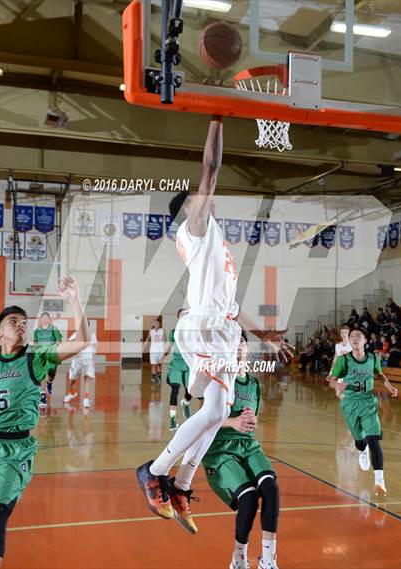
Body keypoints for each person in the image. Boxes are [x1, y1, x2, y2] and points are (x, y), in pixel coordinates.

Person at [136, 118, 292, 535]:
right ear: (191, 207)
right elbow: (210, 168)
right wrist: (216, 116)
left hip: (218, 327)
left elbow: (233, 307)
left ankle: (181, 483)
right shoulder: (195, 228)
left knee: (216, 409)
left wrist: (263, 335)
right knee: (213, 407)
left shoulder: (217, 241)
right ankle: (155, 471)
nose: (208, 198)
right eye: (200, 199)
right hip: (203, 327)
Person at [0, 277, 90, 566]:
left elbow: (83, 341)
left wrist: (75, 299)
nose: (21, 325)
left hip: (13, 452)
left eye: (24, 322)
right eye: (13, 320)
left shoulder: (33, 358)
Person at [203, 332, 279, 569]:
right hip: (220, 449)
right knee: (248, 500)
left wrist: (250, 421)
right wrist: (232, 422)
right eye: (232, 342)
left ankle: (268, 561)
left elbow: (252, 416)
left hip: (247, 444)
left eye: (242, 341)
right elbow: (203, 419)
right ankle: (239, 558)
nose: (238, 345)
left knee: (270, 489)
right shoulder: (219, 378)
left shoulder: (255, 384)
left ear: (247, 348)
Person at [327, 328, 398, 496]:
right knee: (360, 440)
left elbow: (379, 374)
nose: (354, 339)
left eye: (358, 336)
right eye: (352, 336)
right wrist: (338, 385)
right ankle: (362, 449)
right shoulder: (343, 360)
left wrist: (390, 387)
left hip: (368, 401)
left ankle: (379, 481)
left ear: (365, 340)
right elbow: (331, 381)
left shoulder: (373, 358)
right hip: (350, 403)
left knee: (374, 440)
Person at [165, 309, 192, 431]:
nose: (185, 316)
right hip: (176, 363)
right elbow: (169, 346)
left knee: (190, 391)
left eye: (186, 315)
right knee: (175, 389)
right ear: (178, 317)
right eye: (182, 314)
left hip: (188, 364)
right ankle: (172, 420)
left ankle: (185, 403)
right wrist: (164, 355)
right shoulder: (173, 333)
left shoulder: (192, 333)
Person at [63, 320, 97, 408]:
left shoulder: (92, 335)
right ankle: (72, 394)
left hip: (88, 359)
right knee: (72, 380)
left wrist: (93, 357)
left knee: (87, 378)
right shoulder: (75, 334)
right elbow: (69, 343)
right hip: (77, 359)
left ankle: (86, 399)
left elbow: (95, 347)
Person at [33, 312, 62, 397]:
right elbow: (35, 342)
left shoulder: (54, 329)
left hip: (52, 355)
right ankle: (42, 396)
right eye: (43, 318)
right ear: (41, 319)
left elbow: (59, 341)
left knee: (51, 375)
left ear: (49, 319)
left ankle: (49, 382)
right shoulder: (37, 331)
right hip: (41, 355)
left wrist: (54, 348)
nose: (45, 319)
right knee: (42, 374)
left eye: (47, 317)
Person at [143, 319, 166, 384]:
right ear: (153, 324)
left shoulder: (162, 330)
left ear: (159, 324)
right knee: (153, 365)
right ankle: (153, 378)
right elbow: (147, 339)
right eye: (155, 323)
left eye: (157, 323)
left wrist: (164, 340)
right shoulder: (151, 331)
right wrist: (143, 347)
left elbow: (165, 339)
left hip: (160, 350)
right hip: (153, 350)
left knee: (159, 365)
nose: (156, 324)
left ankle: (159, 378)